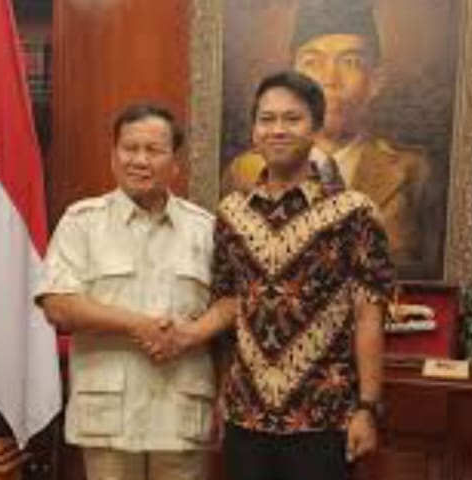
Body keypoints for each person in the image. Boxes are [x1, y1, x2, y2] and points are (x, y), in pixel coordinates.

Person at [35, 104, 235, 480]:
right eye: (130, 148)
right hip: (109, 417)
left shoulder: (205, 229)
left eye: (154, 150)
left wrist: (193, 338)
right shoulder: (82, 222)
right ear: (114, 157)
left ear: (175, 163)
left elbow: (231, 305)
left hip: (181, 413)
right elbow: (57, 305)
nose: (140, 160)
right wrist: (137, 325)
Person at [212, 71, 394, 480]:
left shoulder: (354, 211)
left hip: (325, 417)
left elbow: (369, 315)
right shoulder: (231, 212)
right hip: (246, 417)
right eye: (267, 119)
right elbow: (228, 305)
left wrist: (367, 407)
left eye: (292, 119)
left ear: (315, 128)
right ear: (254, 130)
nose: (277, 129)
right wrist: (222, 392)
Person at [224, 0, 434, 274]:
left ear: (375, 80)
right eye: (312, 62)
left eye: (350, 62)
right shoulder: (246, 171)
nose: (329, 79)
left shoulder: (413, 172)